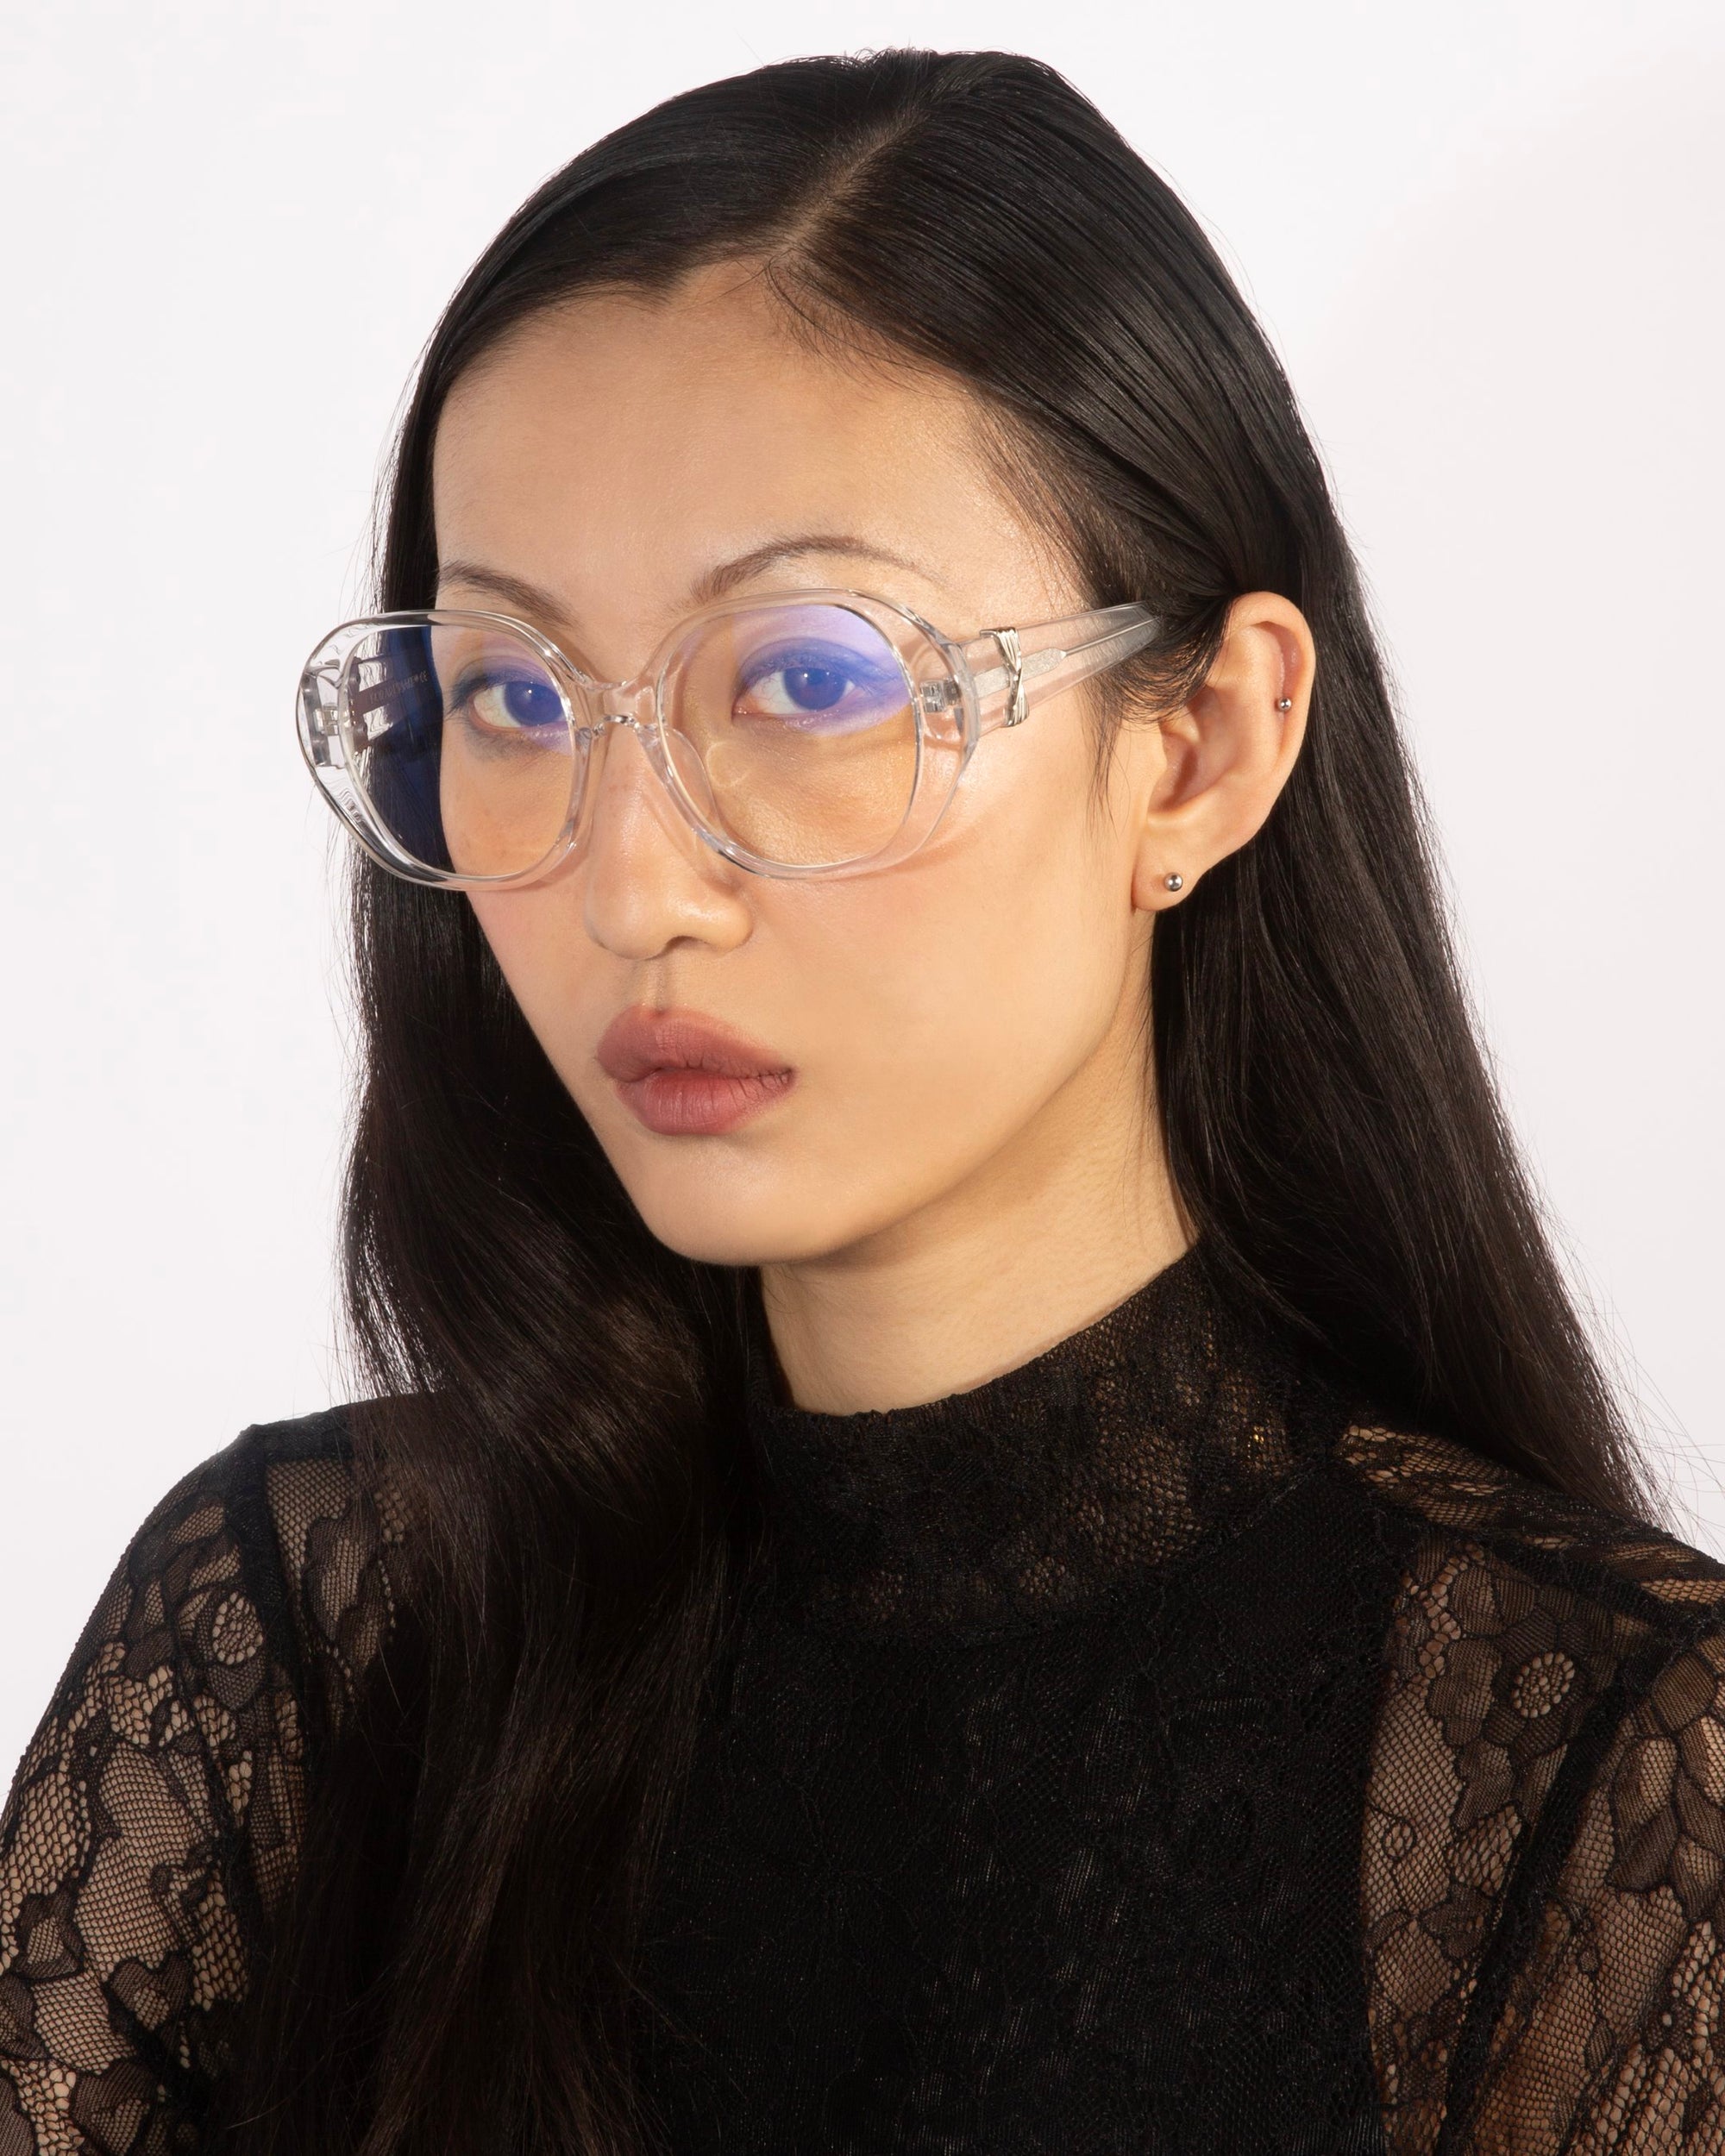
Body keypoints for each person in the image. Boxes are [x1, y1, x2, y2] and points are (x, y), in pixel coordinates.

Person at [3, 46, 1720, 2156]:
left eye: (811, 678)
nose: (632, 884)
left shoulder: (1597, 1792)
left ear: (1198, 747)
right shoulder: (311, 1648)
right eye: (513, 696)